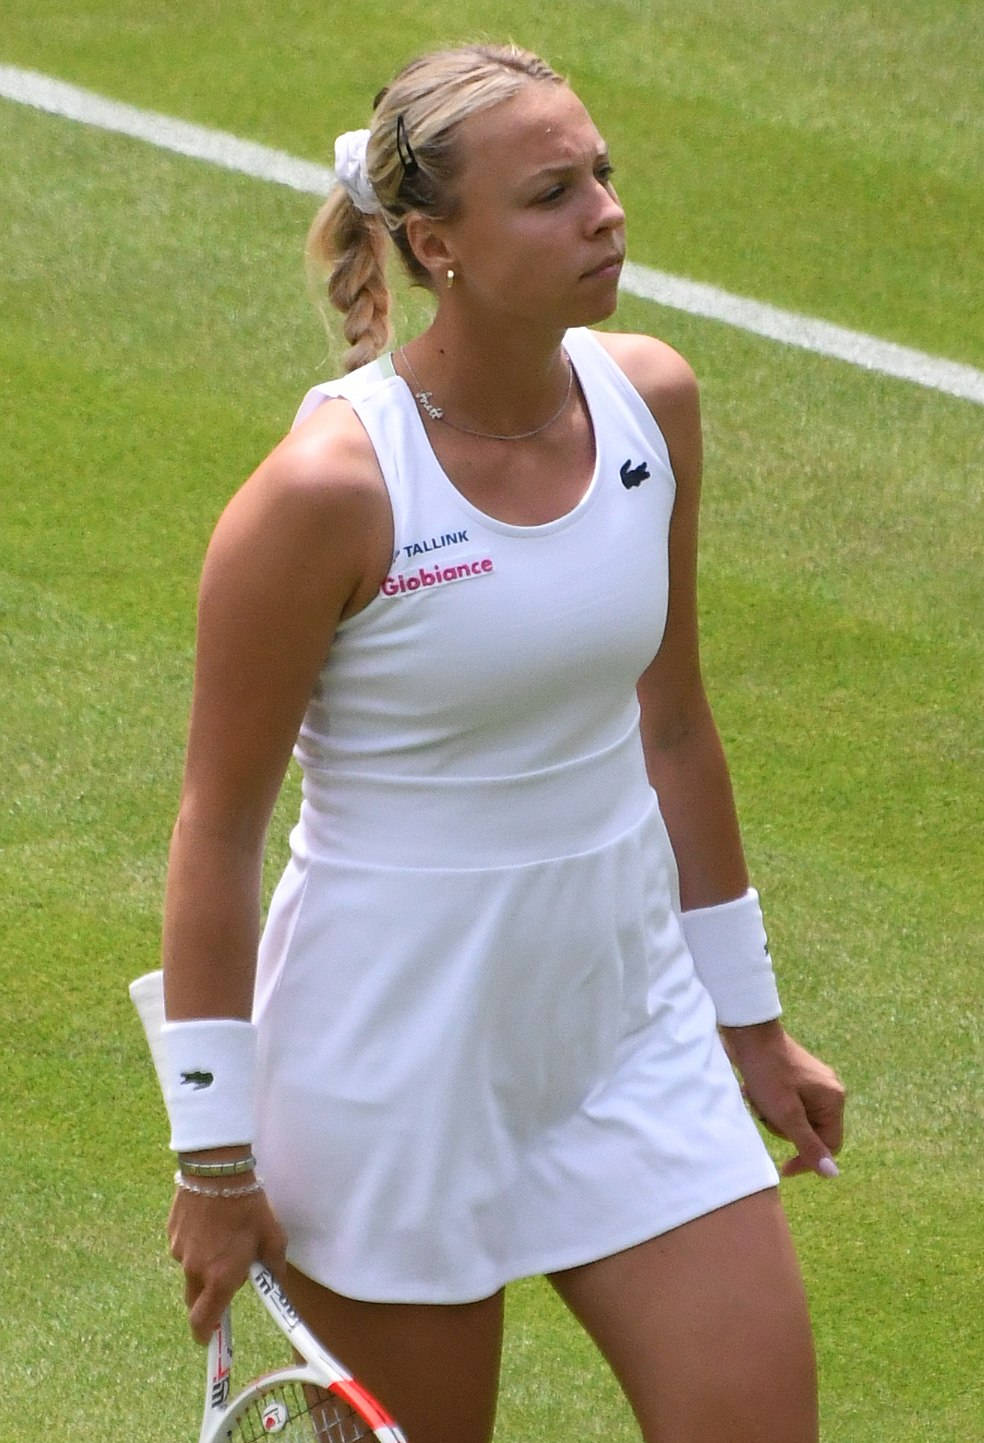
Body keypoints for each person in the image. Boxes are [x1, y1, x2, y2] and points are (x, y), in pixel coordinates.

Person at [160, 41, 845, 1443]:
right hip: (393, 1059)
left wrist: (751, 1022)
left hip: (622, 1021)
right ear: (435, 244)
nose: (604, 212)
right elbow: (215, 832)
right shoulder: (325, 492)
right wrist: (215, 1157)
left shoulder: (652, 400)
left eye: (602, 175)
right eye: (550, 194)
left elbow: (674, 727)